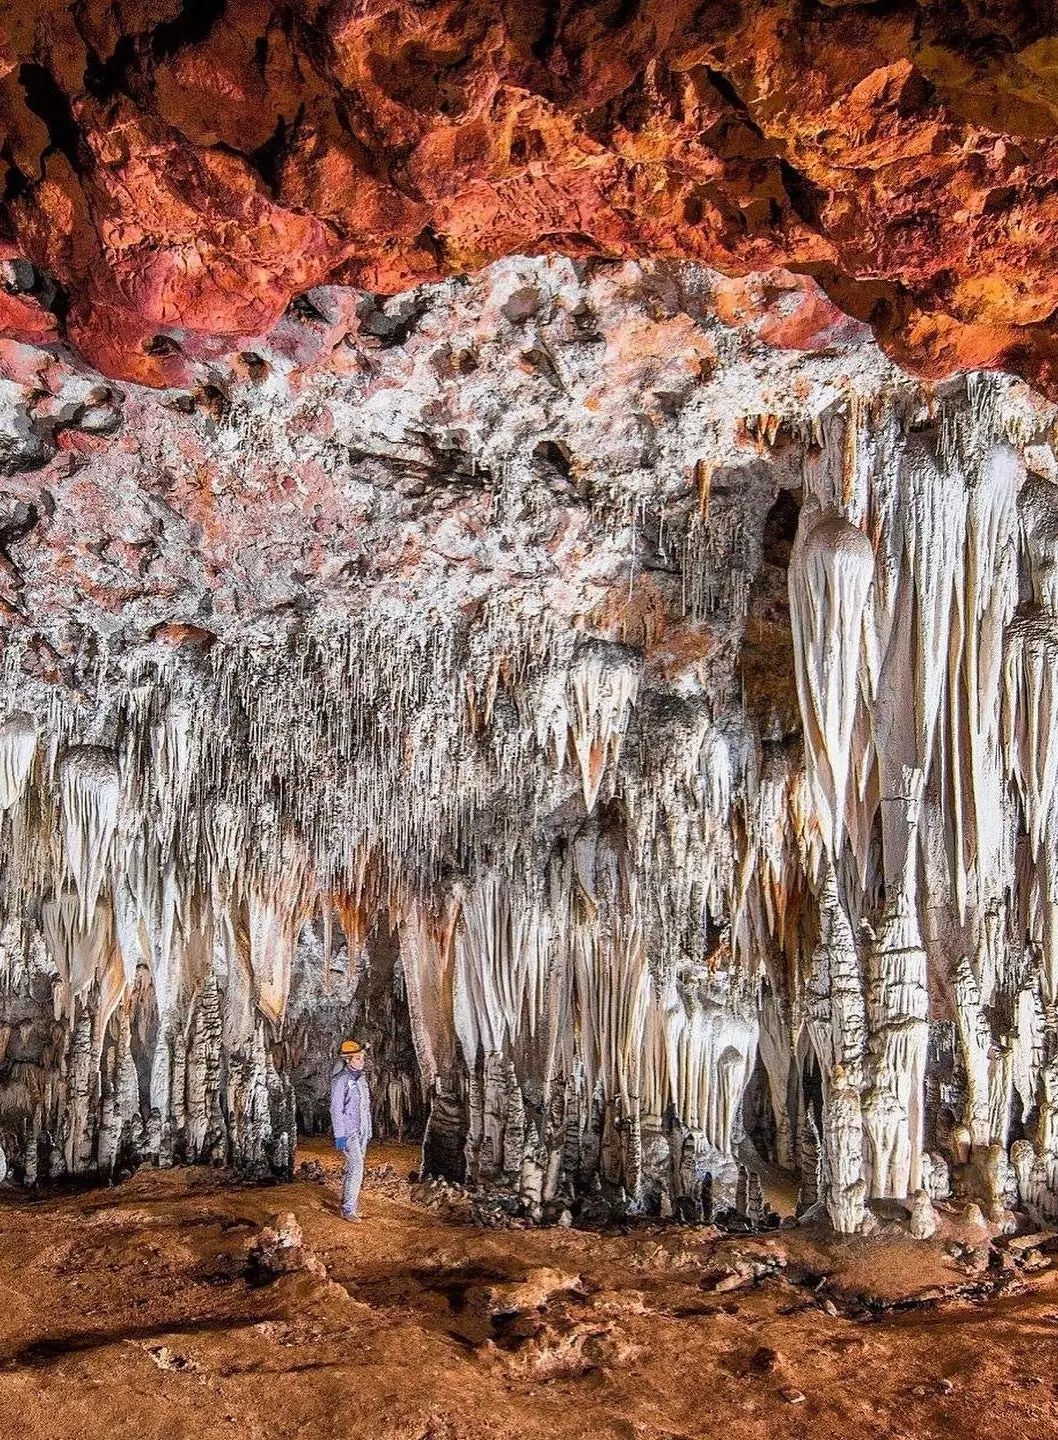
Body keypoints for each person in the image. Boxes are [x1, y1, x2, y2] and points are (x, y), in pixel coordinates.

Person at [330, 1038, 372, 1221]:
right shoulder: (341, 1081)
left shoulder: (361, 1079)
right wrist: (339, 1135)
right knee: (357, 1166)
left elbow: (365, 1106)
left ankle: (349, 1203)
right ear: (347, 1060)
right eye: (357, 1058)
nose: (361, 1061)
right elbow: (336, 1108)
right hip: (348, 1131)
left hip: (362, 1129)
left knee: (352, 1167)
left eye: (362, 1058)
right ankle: (349, 1209)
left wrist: (368, 1130)